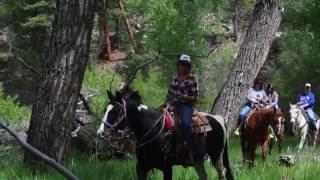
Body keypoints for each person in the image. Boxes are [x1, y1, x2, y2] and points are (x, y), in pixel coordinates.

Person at [166, 54, 199, 164]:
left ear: (188, 67)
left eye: (185, 65)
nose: (183, 67)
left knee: (185, 124)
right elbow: (170, 93)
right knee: (161, 120)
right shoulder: (175, 78)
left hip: (186, 106)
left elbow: (195, 98)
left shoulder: (192, 79)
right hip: (173, 105)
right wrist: (168, 103)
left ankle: (190, 153)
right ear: (178, 65)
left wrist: (184, 97)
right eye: (181, 64)